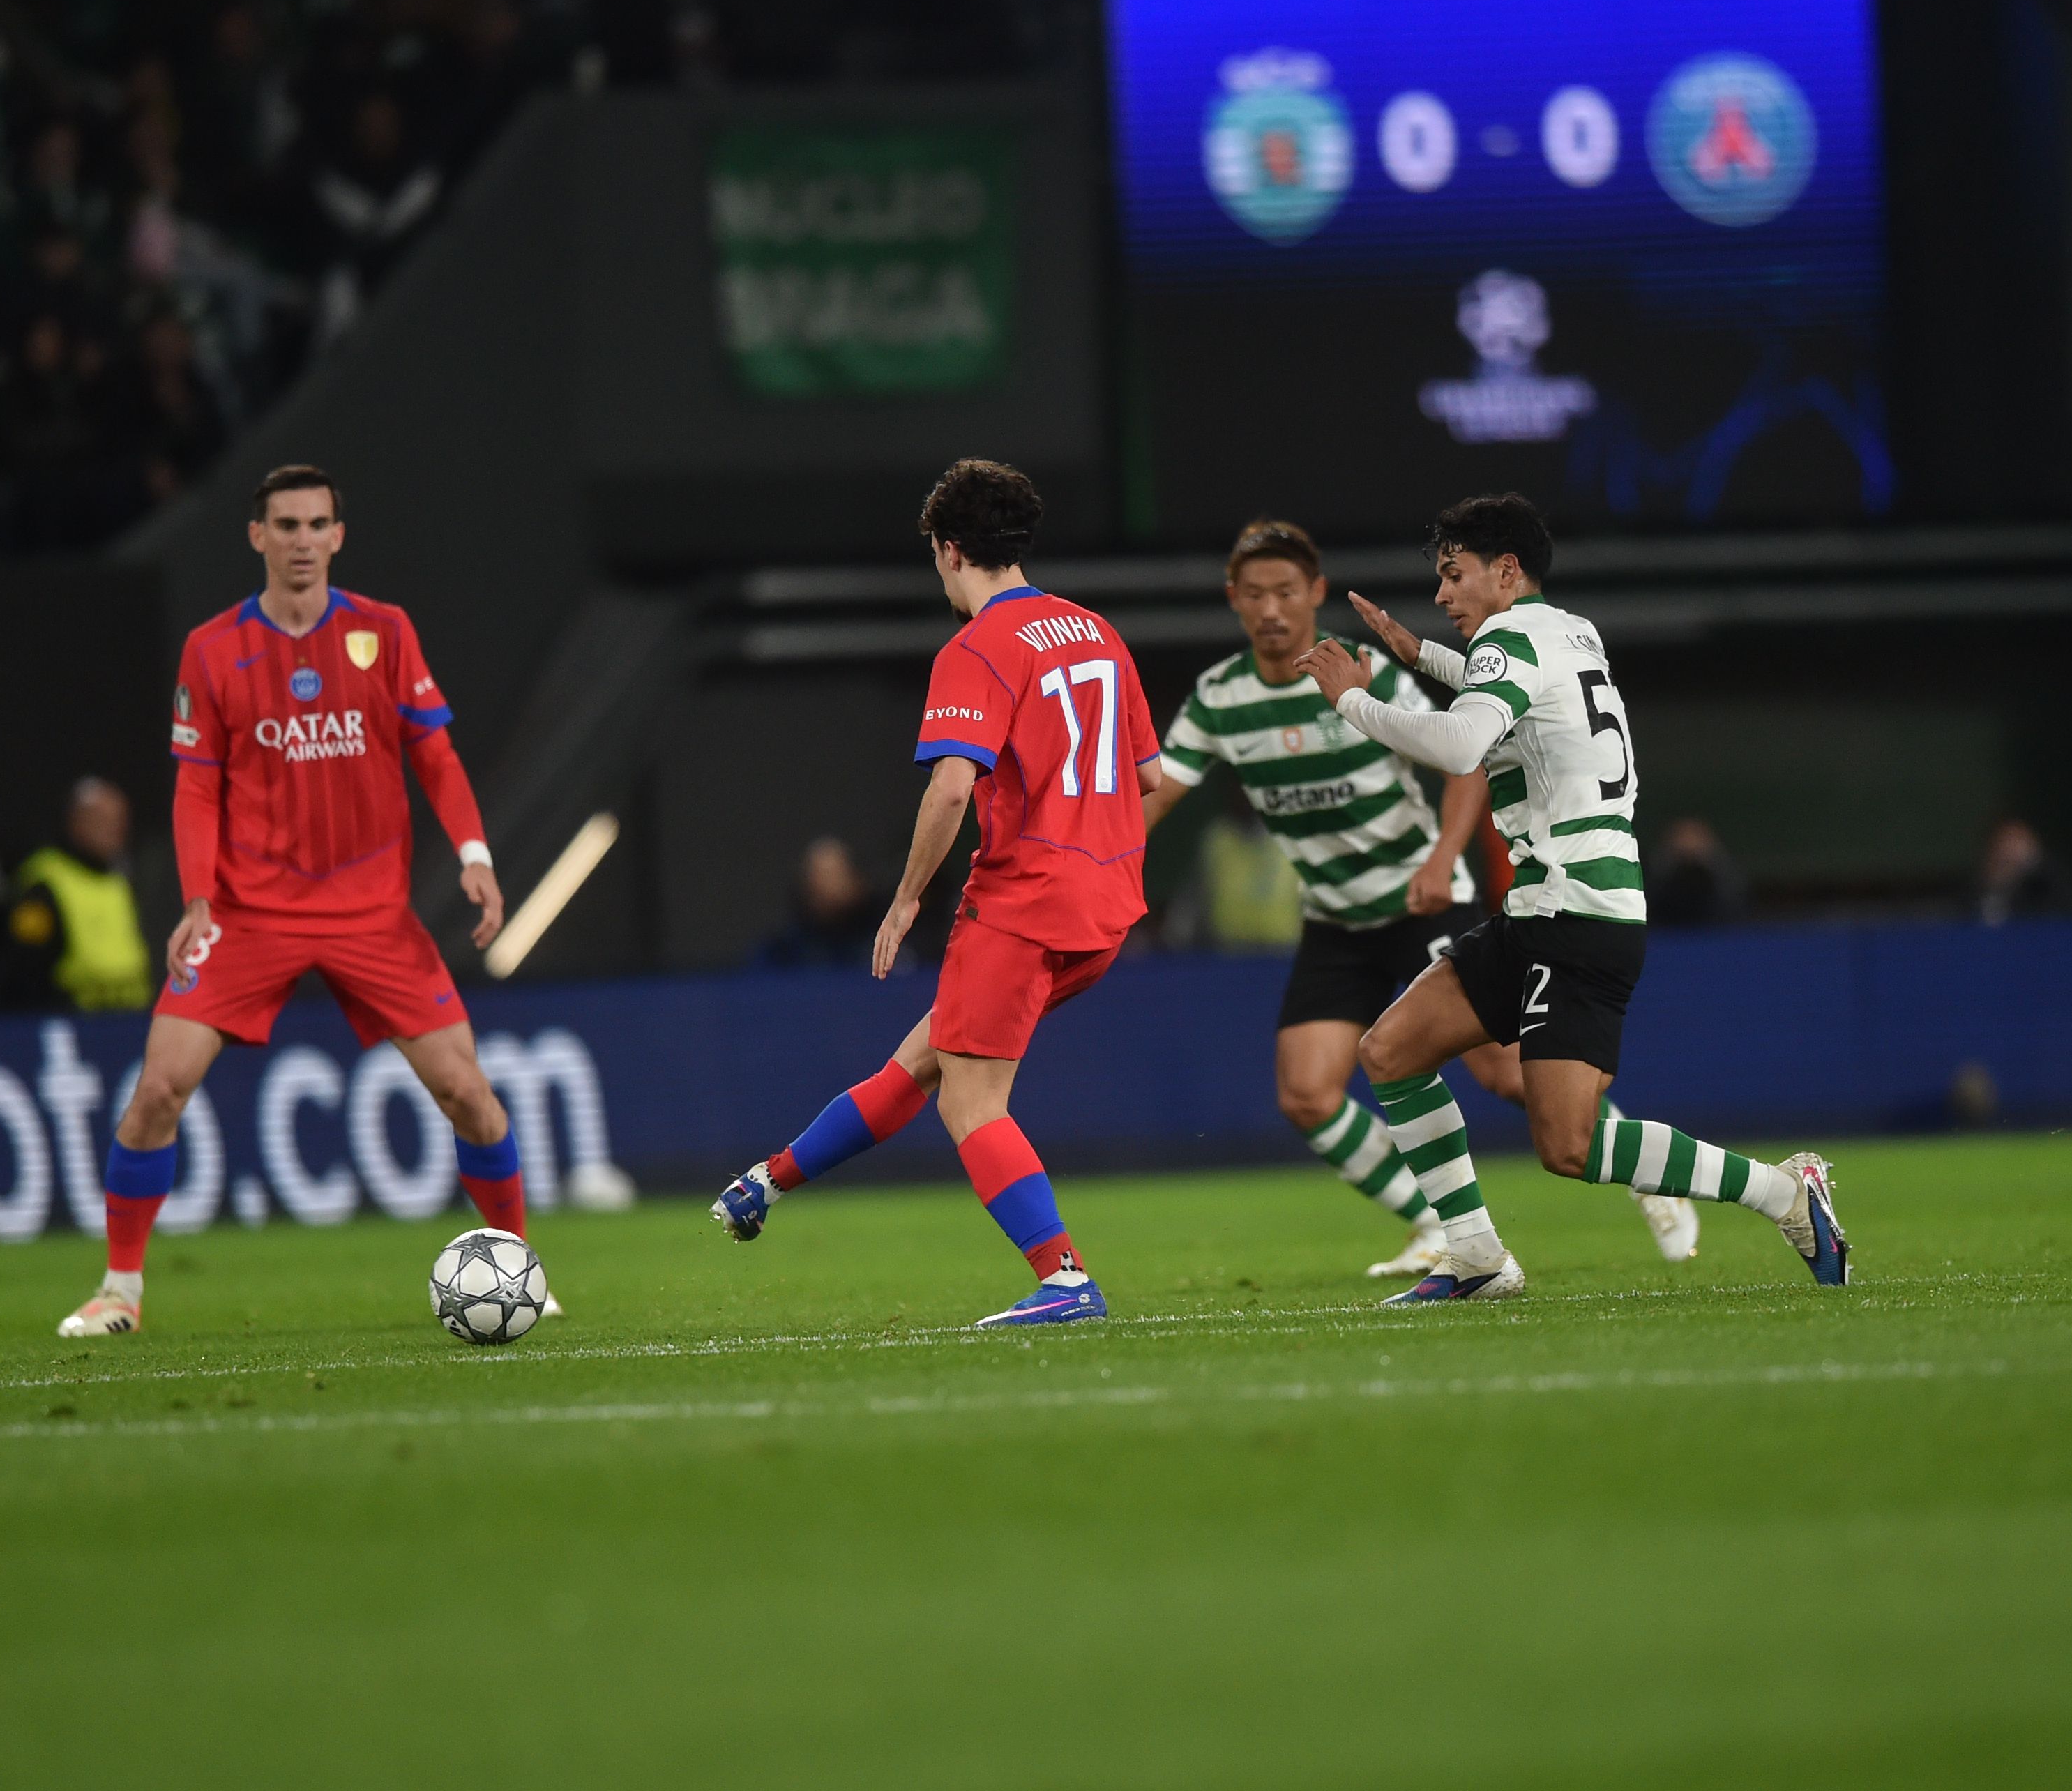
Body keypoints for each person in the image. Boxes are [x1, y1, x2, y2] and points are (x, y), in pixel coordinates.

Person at [1291, 494, 1849, 1304]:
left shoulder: (1510, 639)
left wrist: (1350, 698)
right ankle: (1476, 1256)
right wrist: (1418, 654)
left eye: (1454, 575)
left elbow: (1457, 745)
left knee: (1569, 1144)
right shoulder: (1567, 628)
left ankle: (1785, 1192)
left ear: (1505, 571)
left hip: (1576, 912)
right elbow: (1514, 688)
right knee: (1390, 1053)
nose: (1442, 595)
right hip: (1547, 908)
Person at [1142, 515, 1700, 1276]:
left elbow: (1464, 749)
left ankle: (1646, 1176)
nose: (1270, 609)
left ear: (1314, 593)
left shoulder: (1365, 666)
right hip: (1336, 914)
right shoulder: (1218, 695)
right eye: (1253, 594)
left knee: (1508, 1073)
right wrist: (1089, 852)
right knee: (1307, 1094)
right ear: (1232, 599)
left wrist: (1442, 857)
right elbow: (1161, 792)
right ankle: (1437, 1224)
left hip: (1420, 898)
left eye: (1284, 591)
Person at [54, 464, 525, 1338]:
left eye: (317, 524)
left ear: (338, 536)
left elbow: (435, 754)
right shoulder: (213, 648)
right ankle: (119, 1290)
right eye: (286, 524)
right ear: (257, 536)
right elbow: (195, 788)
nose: (303, 540)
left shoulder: (383, 632)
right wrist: (198, 899)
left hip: (371, 913)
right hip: (248, 912)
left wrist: (473, 853)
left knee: (467, 1092)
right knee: (157, 1088)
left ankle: (515, 1266)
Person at [709, 458, 1155, 1328]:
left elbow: (952, 787)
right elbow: (1149, 773)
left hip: (1023, 899)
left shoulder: (977, 646)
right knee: (926, 1060)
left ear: (951, 551)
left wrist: (906, 896)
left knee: (969, 1098)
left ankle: (1064, 1278)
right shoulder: (1097, 633)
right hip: (1105, 909)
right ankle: (768, 1181)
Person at [2, 777, 152, 1014]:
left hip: (130, 1018)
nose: (116, 830)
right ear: (76, 823)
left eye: (120, 820)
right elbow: (25, 971)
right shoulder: (45, 883)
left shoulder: (123, 878)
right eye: (102, 822)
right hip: (73, 1021)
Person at [750, 836, 885, 970]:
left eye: (837, 876)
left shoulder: (886, 945)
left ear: (859, 882)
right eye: (820, 877)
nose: (830, 889)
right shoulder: (781, 953)